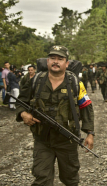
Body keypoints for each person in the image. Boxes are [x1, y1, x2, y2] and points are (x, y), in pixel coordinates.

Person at [15, 45, 95, 185]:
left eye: (60, 59)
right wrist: (23, 113)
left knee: (70, 179)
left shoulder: (75, 83)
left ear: (67, 63)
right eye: (52, 58)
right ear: (47, 61)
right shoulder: (36, 80)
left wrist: (90, 133)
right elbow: (21, 100)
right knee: (42, 178)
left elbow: (86, 107)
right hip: (42, 140)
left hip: (67, 140)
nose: (55, 61)